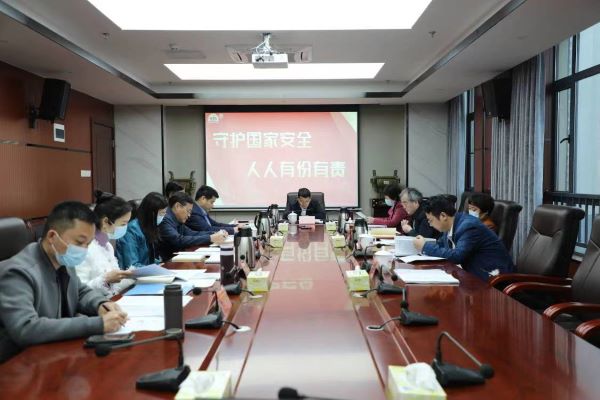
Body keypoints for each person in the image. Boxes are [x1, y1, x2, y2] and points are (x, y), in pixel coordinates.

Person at [0, 201, 128, 363]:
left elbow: (80, 291)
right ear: (52, 237)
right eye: (79, 242)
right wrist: (98, 324)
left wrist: (101, 304)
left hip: (54, 353)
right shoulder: (17, 272)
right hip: (18, 363)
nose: (83, 250)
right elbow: (26, 328)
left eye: (88, 244)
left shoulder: (61, 258)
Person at [413, 195, 513, 281]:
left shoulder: (468, 226)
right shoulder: (450, 225)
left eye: (430, 220)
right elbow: (441, 246)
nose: (430, 225)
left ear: (443, 216)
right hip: (471, 276)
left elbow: (457, 256)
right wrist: (423, 247)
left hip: (492, 279)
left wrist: (425, 246)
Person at [75, 191, 135, 296]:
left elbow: (114, 287)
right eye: (123, 224)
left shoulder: (107, 246)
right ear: (105, 222)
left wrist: (132, 276)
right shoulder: (84, 248)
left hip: (110, 299)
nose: (125, 227)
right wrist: (105, 279)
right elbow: (78, 291)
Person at [158, 192, 227, 261]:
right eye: (188, 211)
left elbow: (192, 233)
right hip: (167, 262)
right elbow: (178, 240)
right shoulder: (165, 219)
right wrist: (210, 238)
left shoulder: (177, 219)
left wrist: (214, 233)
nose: (189, 215)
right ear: (178, 206)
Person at [116, 192, 168, 269]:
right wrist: (153, 268)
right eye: (161, 213)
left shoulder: (149, 227)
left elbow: (148, 259)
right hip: (130, 275)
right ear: (151, 213)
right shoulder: (131, 230)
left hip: (145, 272)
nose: (163, 217)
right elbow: (132, 265)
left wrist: (160, 264)